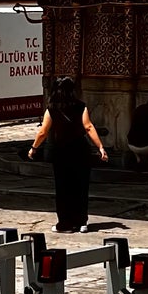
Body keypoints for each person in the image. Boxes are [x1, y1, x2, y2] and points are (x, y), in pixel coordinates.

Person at [29, 76, 107, 232]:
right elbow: (88, 127)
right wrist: (100, 147)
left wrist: (34, 148)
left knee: (63, 187)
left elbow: (43, 131)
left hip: (61, 151)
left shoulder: (51, 108)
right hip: (80, 149)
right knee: (81, 186)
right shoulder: (81, 106)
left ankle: (65, 222)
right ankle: (81, 222)